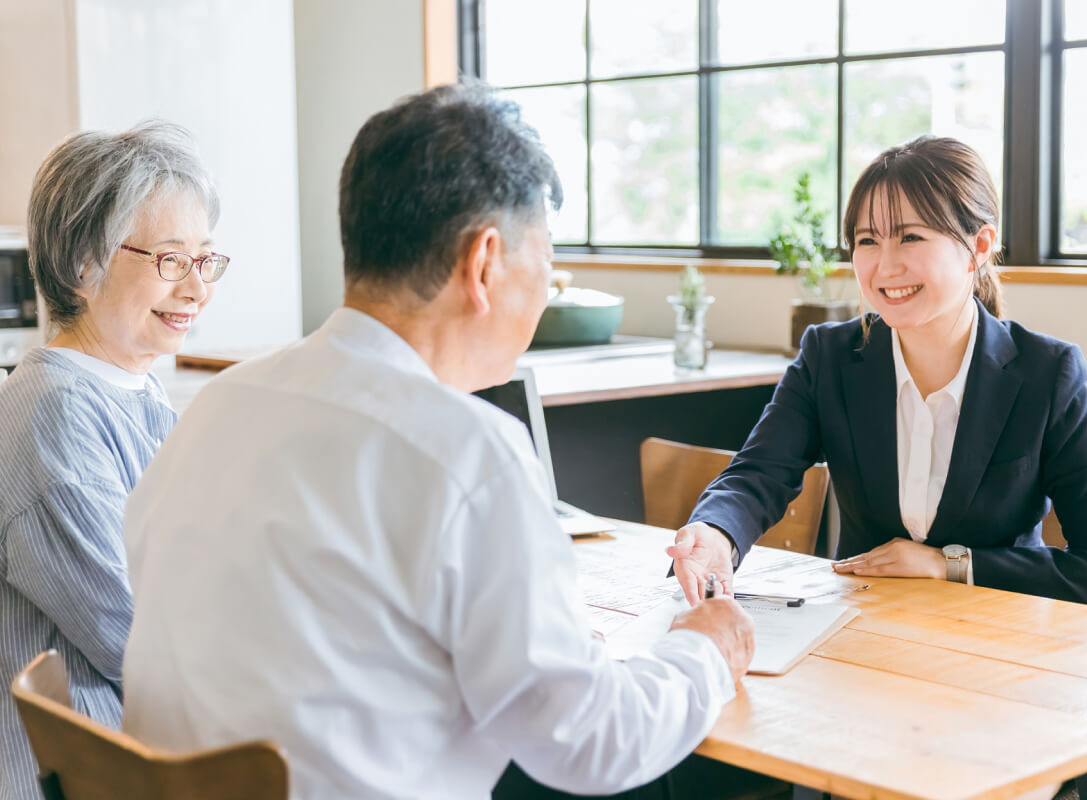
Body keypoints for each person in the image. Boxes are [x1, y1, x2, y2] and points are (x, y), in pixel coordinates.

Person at [120, 83, 754, 800]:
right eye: (544, 261)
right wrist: (705, 648)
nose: (545, 288)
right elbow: (588, 743)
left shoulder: (219, 405)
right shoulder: (467, 453)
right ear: (485, 262)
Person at [668, 136, 1087, 800]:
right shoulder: (829, 358)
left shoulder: (1046, 374)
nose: (883, 266)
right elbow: (759, 473)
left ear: (979, 246)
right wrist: (715, 534)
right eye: (866, 241)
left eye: (910, 237)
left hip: (1001, 681)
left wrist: (951, 563)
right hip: (860, 669)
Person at [0, 121, 226, 800]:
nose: (197, 289)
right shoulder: (55, 415)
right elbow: (140, 636)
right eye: (170, 261)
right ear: (82, 266)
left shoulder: (132, 387)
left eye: (205, 259)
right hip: (99, 774)